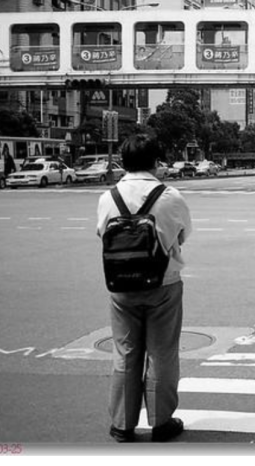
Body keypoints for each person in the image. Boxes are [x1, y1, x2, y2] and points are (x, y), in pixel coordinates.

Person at [96, 134, 193, 443]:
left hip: (121, 286)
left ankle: (122, 425)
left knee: (125, 352)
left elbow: (102, 233)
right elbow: (184, 234)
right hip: (163, 284)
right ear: (155, 161)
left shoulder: (108, 196)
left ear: (123, 162)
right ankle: (161, 422)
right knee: (162, 353)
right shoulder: (170, 196)